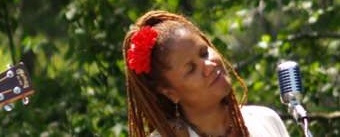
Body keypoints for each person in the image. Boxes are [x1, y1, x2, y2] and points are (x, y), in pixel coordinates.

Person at [124, 10, 290, 137]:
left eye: (204, 53)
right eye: (191, 69)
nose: (209, 65)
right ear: (170, 93)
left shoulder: (264, 119)